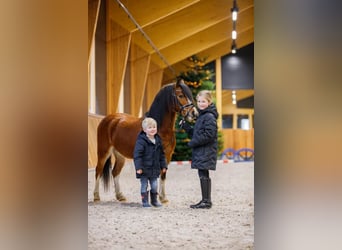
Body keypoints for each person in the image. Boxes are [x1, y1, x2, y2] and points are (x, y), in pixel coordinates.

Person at [180, 90, 218, 209]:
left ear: (209, 102)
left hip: (206, 150)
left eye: (204, 101)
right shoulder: (202, 115)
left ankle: (206, 201)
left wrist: (193, 143)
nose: (201, 104)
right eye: (199, 101)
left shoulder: (209, 116)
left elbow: (209, 135)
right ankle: (205, 200)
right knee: (202, 174)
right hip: (202, 150)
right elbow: (197, 133)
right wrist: (187, 127)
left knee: (203, 174)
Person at [133, 117, 168, 208]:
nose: (152, 129)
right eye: (149, 127)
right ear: (144, 130)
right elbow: (137, 155)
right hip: (144, 169)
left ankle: (154, 201)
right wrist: (138, 168)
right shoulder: (141, 141)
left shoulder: (158, 140)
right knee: (144, 185)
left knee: (154, 185)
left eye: (154, 127)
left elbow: (162, 154)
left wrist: (163, 166)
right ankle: (145, 201)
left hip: (154, 169)